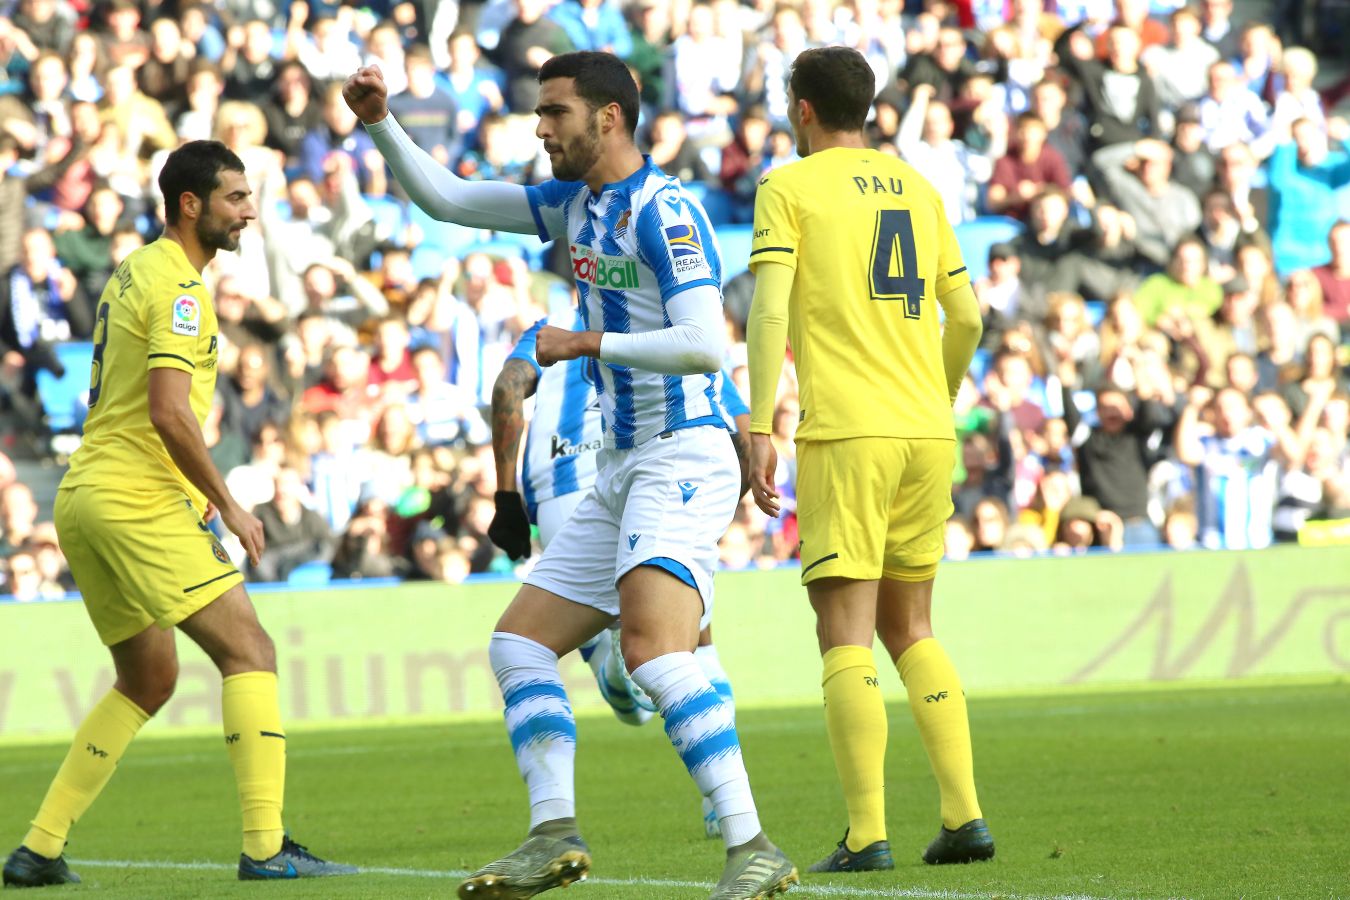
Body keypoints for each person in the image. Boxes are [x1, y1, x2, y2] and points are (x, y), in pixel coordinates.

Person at [344, 51, 797, 898]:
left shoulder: (668, 213)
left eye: (554, 112)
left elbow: (707, 341)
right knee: (518, 646)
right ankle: (552, 833)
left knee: (653, 652)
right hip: (623, 466)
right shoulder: (572, 206)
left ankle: (753, 846)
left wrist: (584, 343)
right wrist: (379, 122)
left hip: (688, 451)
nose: (540, 127)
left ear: (609, 118)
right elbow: (445, 198)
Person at [1, 142, 355, 888]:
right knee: (250, 651)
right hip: (137, 499)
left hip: (85, 498)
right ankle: (266, 847)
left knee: (148, 677)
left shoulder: (137, 268)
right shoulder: (182, 291)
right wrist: (229, 501)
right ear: (189, 204)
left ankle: (40, 848)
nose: (249, 211)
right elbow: (167, 411)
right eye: (234, 197)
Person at [745, 46, 992, 875]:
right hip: (927, 432)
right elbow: (969, 317)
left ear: (803, 109)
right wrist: (941, 395)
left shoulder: (789, 187)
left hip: (849, 431)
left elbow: (769, 307)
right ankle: (964, 817)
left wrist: (758, 421)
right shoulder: (919, 188)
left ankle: (865, 834)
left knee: (843, 633)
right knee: (911, 625)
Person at [490, 307, 753, 837]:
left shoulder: (550, 327)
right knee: (693, 647)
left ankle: (608, 665)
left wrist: (505, 494)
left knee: (537, 647)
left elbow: (506, 392)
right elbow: (740, 427)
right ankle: (722, 812)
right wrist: (716, 514)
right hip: (654, 476)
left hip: (562, 491)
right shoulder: (672, 325)